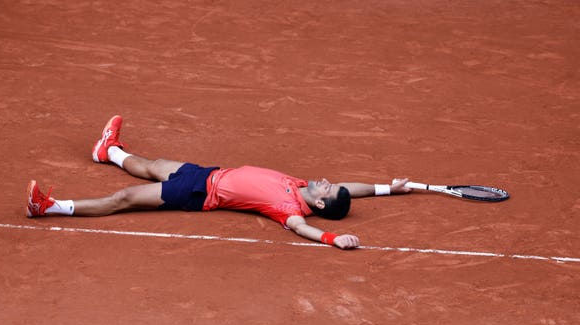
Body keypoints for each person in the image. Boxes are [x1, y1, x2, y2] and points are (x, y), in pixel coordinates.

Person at [26, 115, 411, 249]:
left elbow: (302, 229)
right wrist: (387, 188)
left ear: (322, 204)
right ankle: (107, 151)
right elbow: (351, 187)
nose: (326, 180)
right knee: (152, 163)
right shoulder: (301, 184)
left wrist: (332, 238)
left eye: (327, 188)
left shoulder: (290, 207)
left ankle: (50, 207)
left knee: (124, 198)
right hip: (207, 172)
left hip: (196, 193)